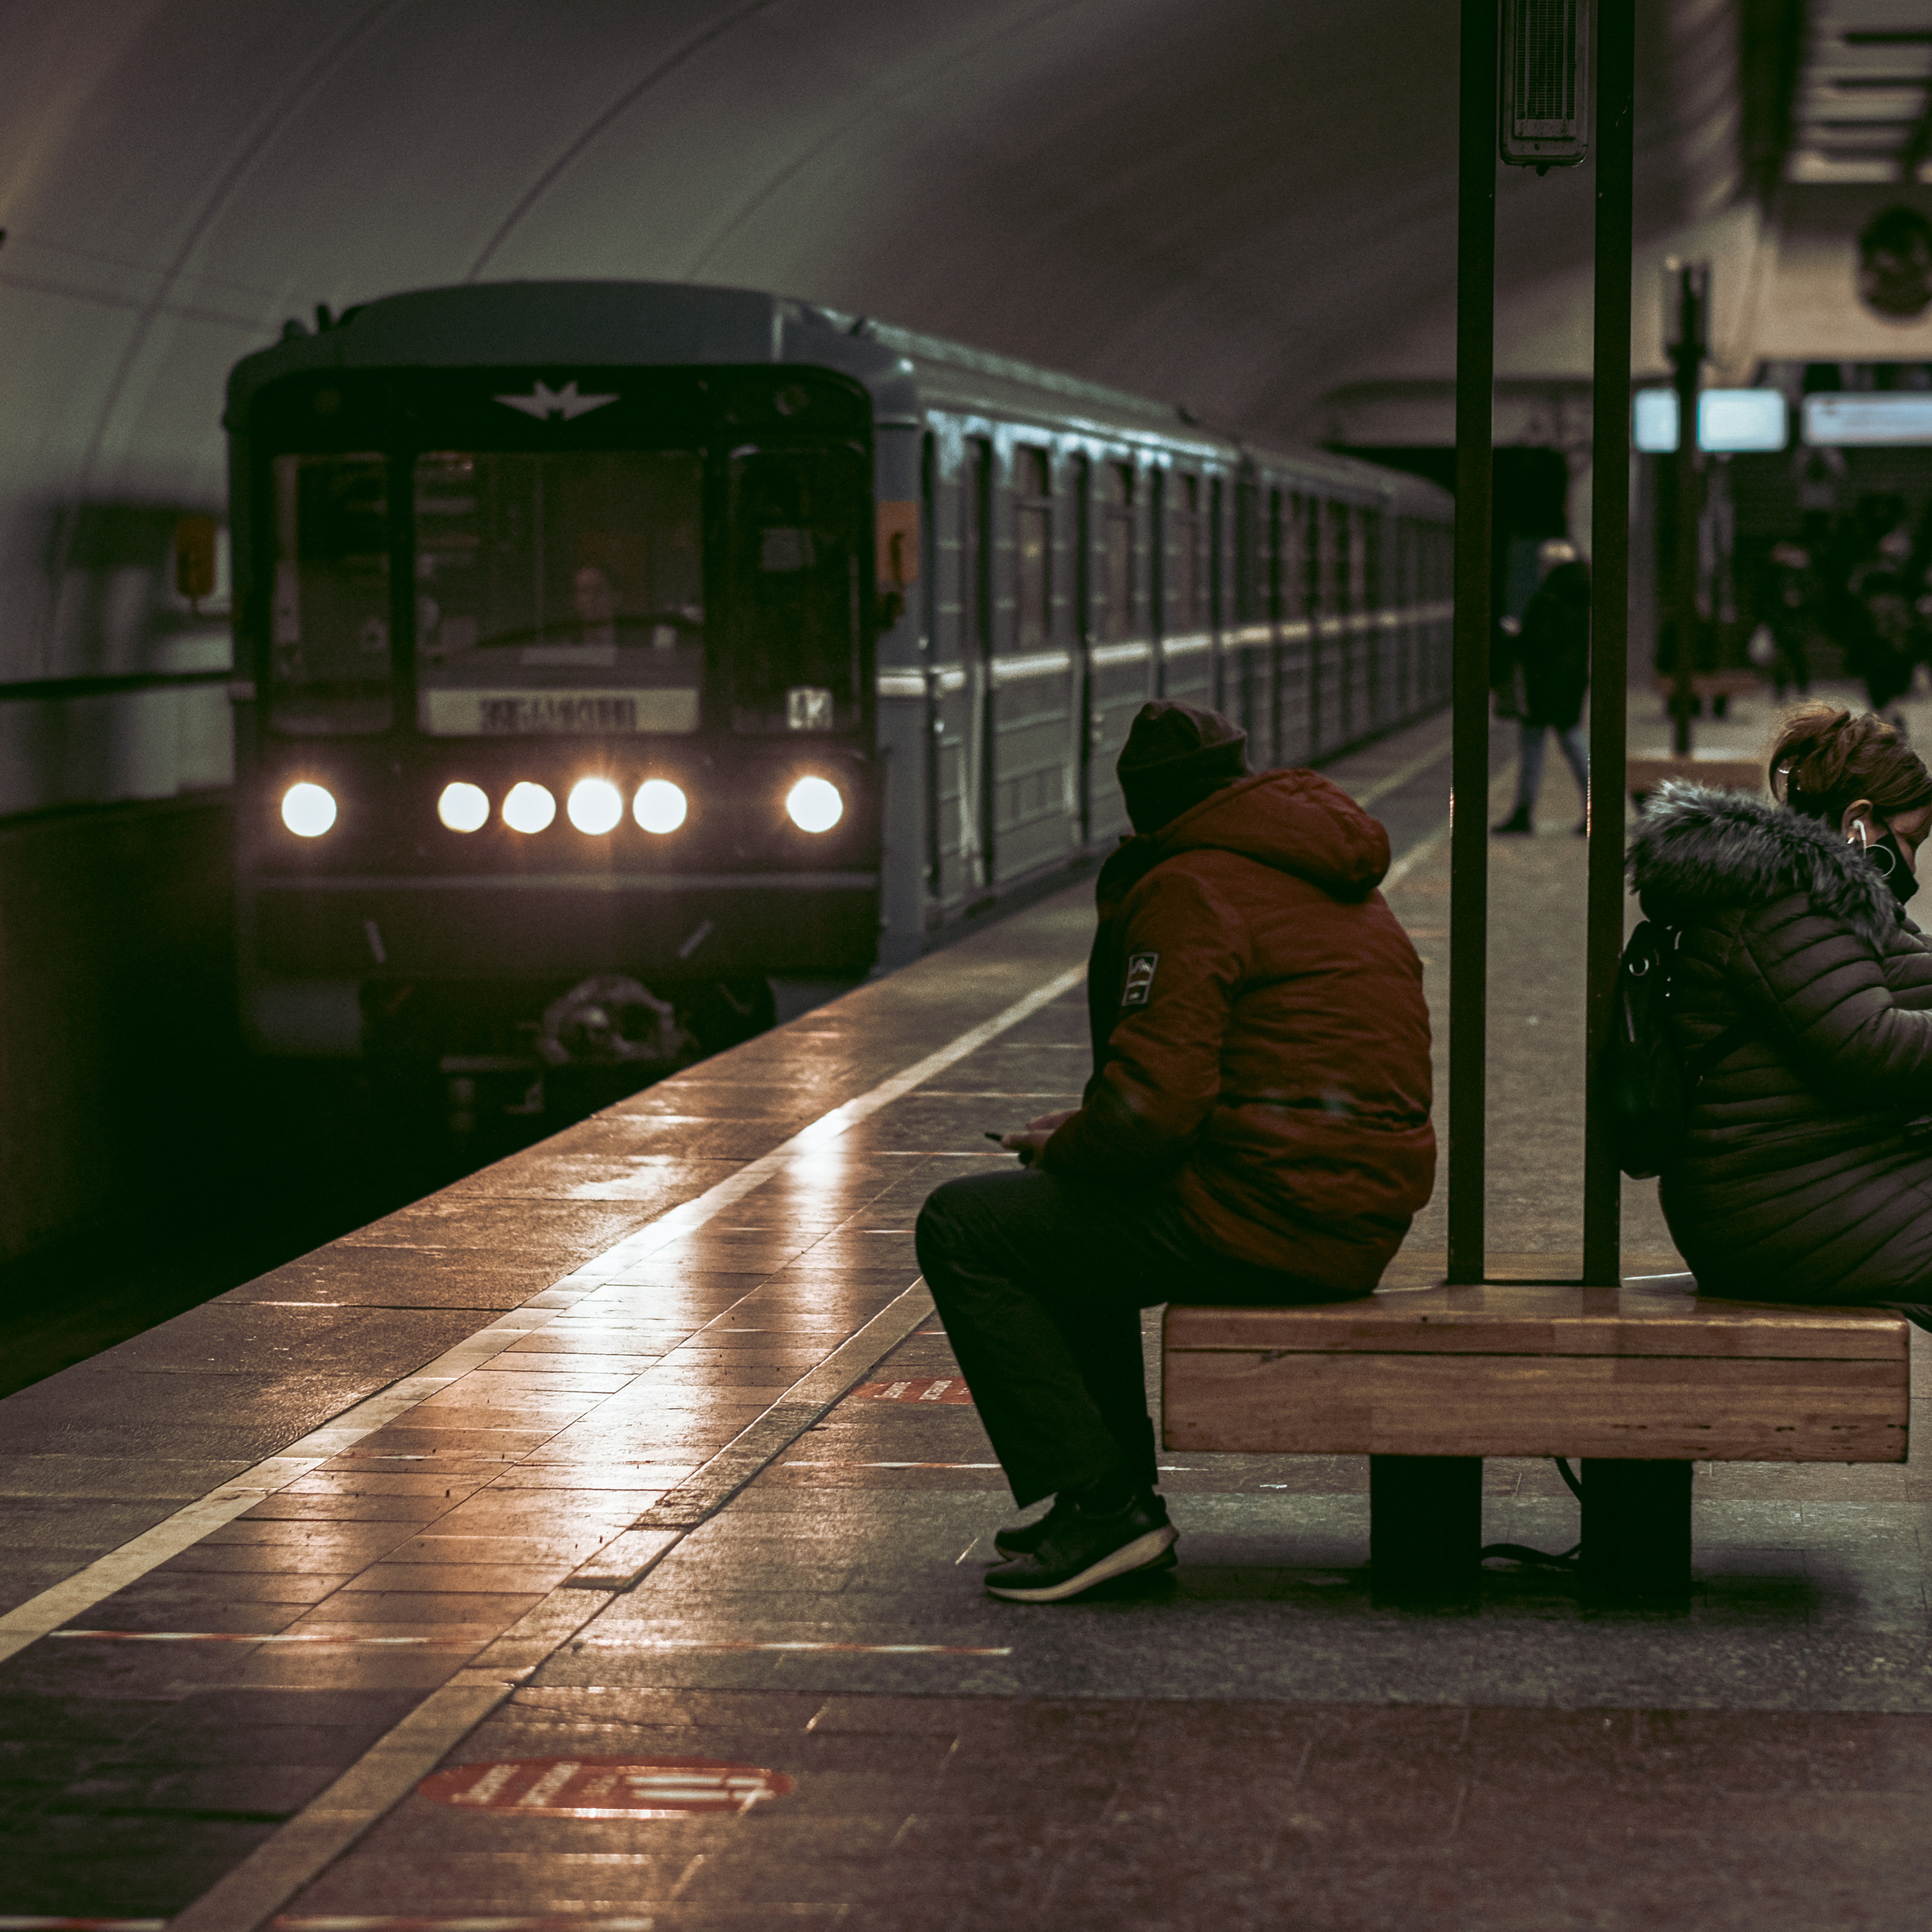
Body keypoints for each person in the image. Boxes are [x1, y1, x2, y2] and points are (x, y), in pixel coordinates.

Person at [914, 700, 1436, 1603]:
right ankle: (1109, 1505)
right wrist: (1076, 1146)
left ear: (1145, 809)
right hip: (1345, 1198)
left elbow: (1149, 1115)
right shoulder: (1312, 861)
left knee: (965, 1224)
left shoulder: (1189, 885)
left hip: (1277, 1210)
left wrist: (1069, 1144)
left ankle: (1107, 1502)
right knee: (1070, 1221)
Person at [1627, 703, 1932, 1321]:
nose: (1917, 869)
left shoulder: (1809, 893)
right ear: (1858, 822)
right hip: (1775, 1206)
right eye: (1911, 841)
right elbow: (1871, 1047)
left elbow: (1901, 969)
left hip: (1814, 1175)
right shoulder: (1786, 901)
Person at [1493, 542, 1591, 836]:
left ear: (1550, 565)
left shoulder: (1549, 596)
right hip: (1569, 683)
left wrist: (1516, 636)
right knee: (1573, 744)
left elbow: (1540, 642)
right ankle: (1595, 807)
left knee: (1534, 749)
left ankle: (1523, 813)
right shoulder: (1579, 593)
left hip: (1543, 684)